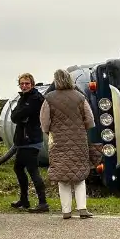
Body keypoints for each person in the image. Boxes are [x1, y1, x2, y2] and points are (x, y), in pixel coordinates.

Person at [40, 69, 96, 219]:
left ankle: (66, 211)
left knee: (63, 177)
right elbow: (90, 119)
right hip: (79, 140)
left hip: (58, 141)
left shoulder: (49, 98)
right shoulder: (79, 97)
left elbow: (44, 122)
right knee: (79, 176)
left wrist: (50, 132)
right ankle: (82, 209)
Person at [9, 73, 49, 212]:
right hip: (23, 141)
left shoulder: (35, 98)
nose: (24, 86)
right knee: (18, 168)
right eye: (22, 83)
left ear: (32, 84)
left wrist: (20, 116)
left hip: (31, 140)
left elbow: (19, 115)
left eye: (27, 83)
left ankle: (43, 202)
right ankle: (24, 199)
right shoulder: (23, 98)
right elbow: (14, 116)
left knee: (33, 170)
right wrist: (20, 116)